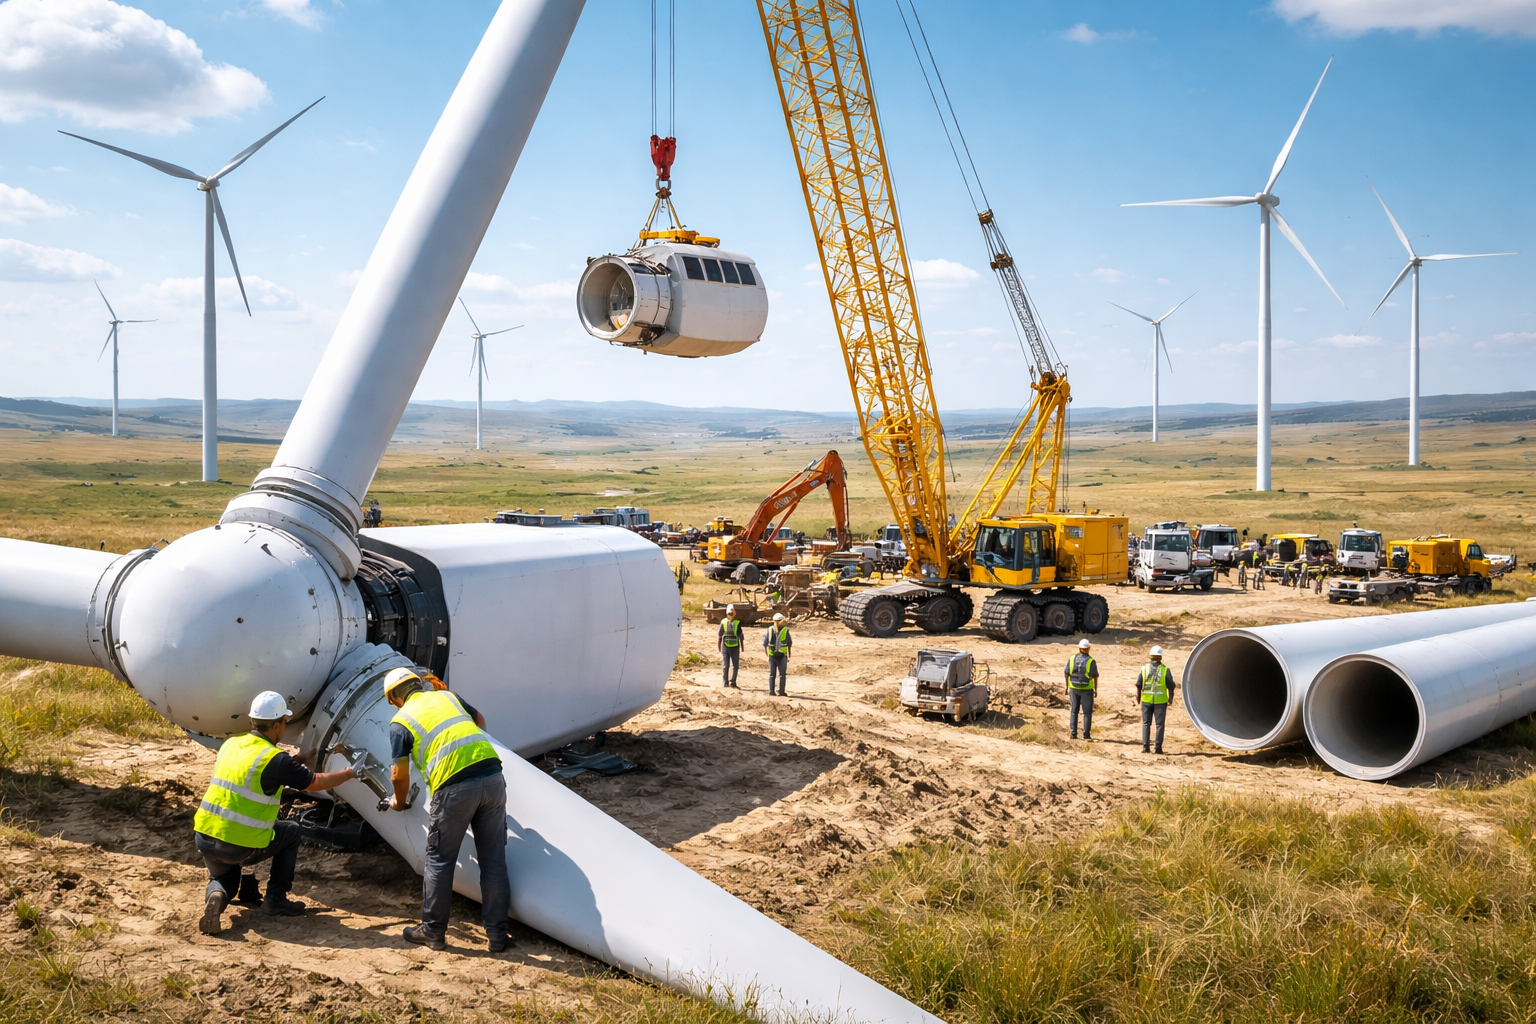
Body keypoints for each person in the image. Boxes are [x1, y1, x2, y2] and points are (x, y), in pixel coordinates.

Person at [195, 691, 359, 936]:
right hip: (239, 843)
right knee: (291, 831)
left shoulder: (232, 744)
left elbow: (257, 772)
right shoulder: (275, 759)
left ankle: (217, 897)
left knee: (226, 879)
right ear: (275, 725)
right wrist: (349, 774)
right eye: (284, 722)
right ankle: (276, 899)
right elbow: (313, 782)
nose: (284, 726)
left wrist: (298, 760)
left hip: (205, 837)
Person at [384, 667, 512, 953]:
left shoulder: (399, 722)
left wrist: (400, 801)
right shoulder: (448, 697)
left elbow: (398, 776)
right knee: (493, 860)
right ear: (419, 685)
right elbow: (479, 720)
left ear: (393, 699)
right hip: (492, 775)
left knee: (440, 860)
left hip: (453, 787)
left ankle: (432, 932)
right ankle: (498, 936)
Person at [1136, 646, 1176, 754]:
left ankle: (1145, 748)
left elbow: (1139, 684)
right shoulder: (1165, 670)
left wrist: (1138, 697)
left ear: (1150, 656)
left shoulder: (1144, 669)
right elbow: (1171, 686)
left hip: (1146, 700)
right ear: (1160, 657)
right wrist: (1171, 698)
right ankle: (1158, 748)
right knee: (1159, 725)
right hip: (1160, 702)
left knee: (1146, 723)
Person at [1064, 638, 1098, 740]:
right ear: (1088, 649)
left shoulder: (1071, 659)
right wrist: (1095, 689)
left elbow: (1066, 673)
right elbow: (1095, 676)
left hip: (1073, 688)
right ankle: (1086, 735)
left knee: (1074, 711)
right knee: (1087, 713)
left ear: (1079, 648)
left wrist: (1066, 686)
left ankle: (1073, 734)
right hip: (1087, 690)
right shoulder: (1091, 661)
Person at [763, 612, 791, 696]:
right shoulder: (785, 630)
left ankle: (772, 691)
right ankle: (781, 691)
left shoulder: (770, 630)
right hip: (781, 656)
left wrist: (767, 654)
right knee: (781, 675)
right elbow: (789, 643)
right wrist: (789, 654)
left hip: (773, 655)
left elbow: (765, 644)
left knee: (772, 674)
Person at [718, 605, 742, 688]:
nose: (731, 614)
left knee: (728, 665)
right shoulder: (735, 622)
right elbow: (740, 636)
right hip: (730, 646)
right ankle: (729, 682)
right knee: (730, 665)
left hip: (729, 646)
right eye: (730, 612)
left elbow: (720, 635)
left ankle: (729, 682)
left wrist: (719, 646)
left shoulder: (726, 622)